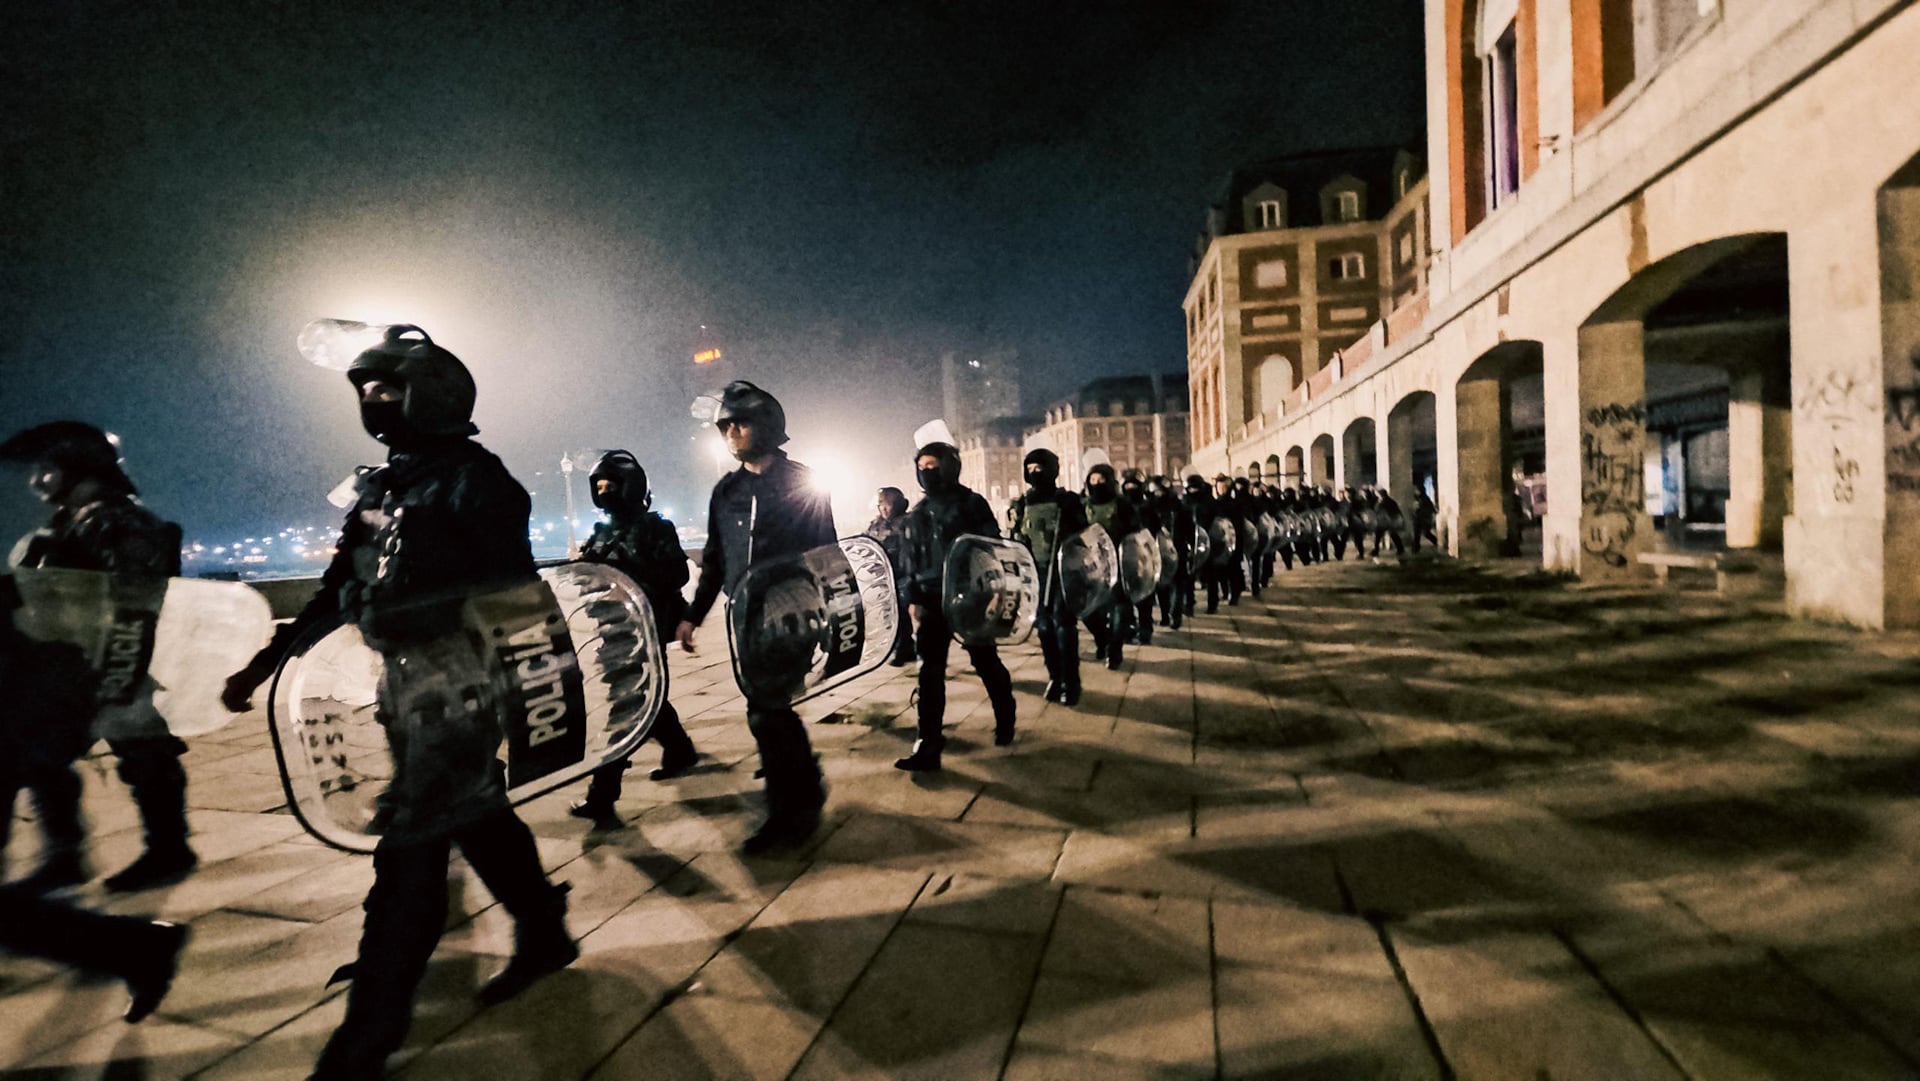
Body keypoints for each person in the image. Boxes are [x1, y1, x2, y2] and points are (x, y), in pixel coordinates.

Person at [220, 324, 575, 1079]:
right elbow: (331, 589)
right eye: (365, 390)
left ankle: (372, 1027)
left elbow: (512, 599)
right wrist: (264, 664)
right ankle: (544, 931)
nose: (373, 401)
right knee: (475, 816)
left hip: (459, 683)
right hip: (400, 682)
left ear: (433, 395)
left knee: (411, 840)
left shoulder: (479, 481)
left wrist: (530, 694)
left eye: (387, 387)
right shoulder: (385, 484)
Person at [0, 421, 196, 893]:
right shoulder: (73, 521)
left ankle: (167, 850)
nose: (38, 481)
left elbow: (135, 603)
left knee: (143, 754)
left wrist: (118, 676)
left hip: (109, 661)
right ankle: (67, 856)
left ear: (78, 466)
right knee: (40, 759)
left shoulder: (114, 520)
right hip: (63, 665)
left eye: (48, 468)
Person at [677, 381, 835, 854]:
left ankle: (791, 814)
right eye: (725, 425)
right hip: (744, 613)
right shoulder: (726, 490)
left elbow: (827, 554)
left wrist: (837, 614)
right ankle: (805, 784)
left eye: (740, 422)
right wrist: (693, 615)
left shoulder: (801, 481)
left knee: (766, 711)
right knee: (768, 708)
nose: (731, 432)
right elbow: (716, 556)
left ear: (768, 425)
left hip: (790, 608)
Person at [566, 450, 701, 824]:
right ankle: (680, 750)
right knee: (646, 697)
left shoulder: (655, 528)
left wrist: (632, 581)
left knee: (625, 704)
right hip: (611, 626)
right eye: (599, 485)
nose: (604, 490)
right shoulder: (600, 532)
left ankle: (602, 796)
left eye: (610, 484)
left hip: (646, 626)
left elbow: (676, 575)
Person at [893, 441, 1016, 771]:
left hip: (968, 597)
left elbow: (991, 547)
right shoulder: (917, 513)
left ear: (949, 466)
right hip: (933, 601)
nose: (927, 472)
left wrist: (990, 590)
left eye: (934, 466)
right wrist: (913, 599)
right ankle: (928, 743)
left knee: (984, 660)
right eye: (923, 467)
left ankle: (1005, 716)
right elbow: (909, 562)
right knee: (929, 673)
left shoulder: (971, 503)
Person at [1009, 449, 1087, 705]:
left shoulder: (1068, 500)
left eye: (1040, 467)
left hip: (1063, 572)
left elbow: (1083, 537)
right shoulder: (1021, 504)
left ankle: (1071, 683)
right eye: (1030, 468)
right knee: (1043, 628)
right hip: (1035, 573)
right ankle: (1055, 676)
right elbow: (1015, 540)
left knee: (1064, 627)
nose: (1035, 473)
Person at [1081, 463, 1139, 670]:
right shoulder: (1084, 505)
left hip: (1118, 562)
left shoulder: (1122, 504)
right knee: (1086, 609)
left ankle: (1114, 650)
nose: (1096, 484)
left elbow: (1135, 531)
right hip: (1091, 564)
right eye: (1093, 480)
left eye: (1101, 480)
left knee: (1118, 608)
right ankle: (1102, 639)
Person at [866, 487, 916, 667]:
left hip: (904, 575)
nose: (884, 509)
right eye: (881, 505)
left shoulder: (908, 522)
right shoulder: (875, 524)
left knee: (901, 613)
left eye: (888, 505)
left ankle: (902, 648)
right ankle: (905, 647)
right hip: (884, 576)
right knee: (889, 614)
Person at [1120, 472, 1160, 644]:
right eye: (1127, 486)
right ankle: (1129, 627)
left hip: (1142, 556)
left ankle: (1145, 627)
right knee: (1125, 595)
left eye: (1133, 486)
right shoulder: (1120, 505)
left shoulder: (1147, 507)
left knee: (1144, 594)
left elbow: (1154, 529)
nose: (1130, 490)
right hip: (1125, 556)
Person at [1181, 472, 1217, 614]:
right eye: (1190, 488)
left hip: (1207, 541)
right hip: (1190, 542)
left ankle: (1212, 603)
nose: (1193, 491)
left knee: (1210, 575)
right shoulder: (1185, 502)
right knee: (1188, 576)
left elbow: (1217, 522)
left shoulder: (1209, 502)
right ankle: (1189, 604)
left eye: (1195, 488)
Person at [1412, 486, 1439, 552]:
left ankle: (1436, 542)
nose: (1415, 491)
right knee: (1420, 533)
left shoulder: (1424, 499)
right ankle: (1416, 548)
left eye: (1416, 490)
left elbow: (1429, 509)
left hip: (1422, 519)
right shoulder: (1421, 498)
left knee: (1423, 533)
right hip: (1420, 518)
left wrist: (1418, 509)